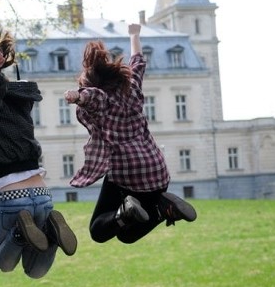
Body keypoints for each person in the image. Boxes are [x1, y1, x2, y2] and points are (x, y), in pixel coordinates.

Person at [63, 23, 197, 244]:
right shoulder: (132, 87)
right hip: (157, 171)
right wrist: (134, 34)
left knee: (98, 230)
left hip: (127, 174)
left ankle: (125, 213)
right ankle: (164, 210)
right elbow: (138, 60)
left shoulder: (103, 98)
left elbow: (94, 97)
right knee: (127, 235)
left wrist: (76, 96)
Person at [0, 32, 77, 280]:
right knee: (34, 271)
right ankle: (52, 235)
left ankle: (20, 234)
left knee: (4, 263)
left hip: (12, 195)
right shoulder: (22, 102)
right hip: (42, 194)